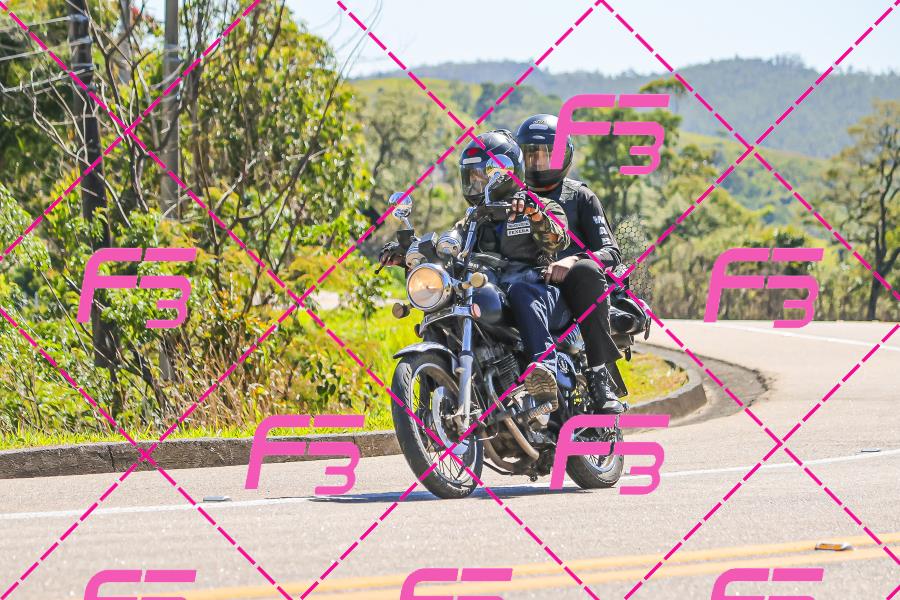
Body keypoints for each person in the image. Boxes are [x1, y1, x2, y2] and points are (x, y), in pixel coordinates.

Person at [515, 114, 625, 414]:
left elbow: (611, 252)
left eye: (546, 154)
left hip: (573, 294)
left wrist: (574, 258)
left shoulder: (580, 196)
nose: (538, 162)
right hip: (527, 285)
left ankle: (599, 375)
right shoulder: (514, 200)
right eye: (531, 154)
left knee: (586, 271)